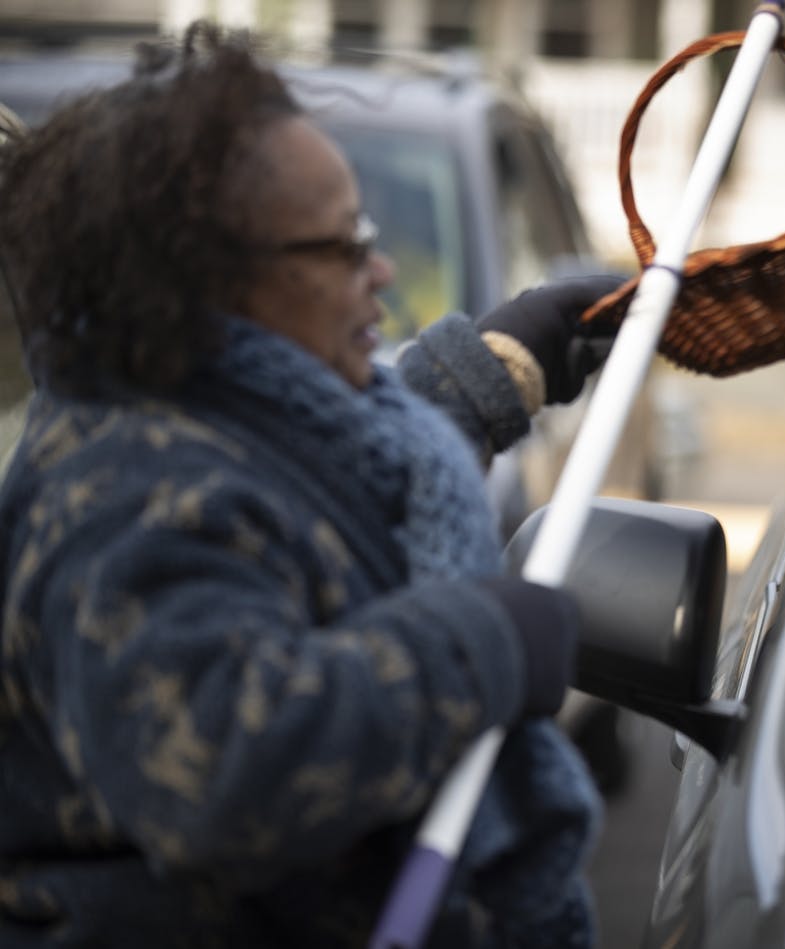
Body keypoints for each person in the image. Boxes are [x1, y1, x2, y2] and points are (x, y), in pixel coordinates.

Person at [0, 21, 628, 948]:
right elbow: (221, 771)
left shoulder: (194, 408)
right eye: (344, 246)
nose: (379, 270)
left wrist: (495, 371)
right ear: (210, 283)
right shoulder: (123, 497)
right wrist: (477, 645)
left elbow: (308, 487)